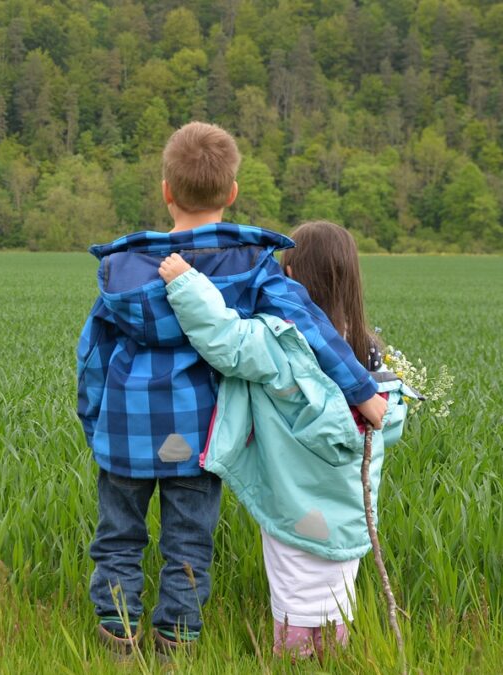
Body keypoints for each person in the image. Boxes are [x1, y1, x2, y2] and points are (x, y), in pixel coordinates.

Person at [76, 123, 388, 659]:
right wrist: (362, 391)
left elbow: (93, 357)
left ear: (166, 191)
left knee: (118, 537)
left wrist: (95, 421)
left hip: (125, 432)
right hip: (201, 434)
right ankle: (176, 645)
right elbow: (310, 328)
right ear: (233, 193)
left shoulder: (123, 271)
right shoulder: (250, 266)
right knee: (188, 544)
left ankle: (117, 638)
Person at [157, 220, 409, 660]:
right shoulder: (367, 352)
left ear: (288, 278)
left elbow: (226, 339)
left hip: (294, 501)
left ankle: (291, 661)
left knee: (295, 592)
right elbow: (383, 422)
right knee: (335, 598)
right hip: (349, 509)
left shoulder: (283, 342)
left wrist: (187, 284)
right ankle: (333, 661)